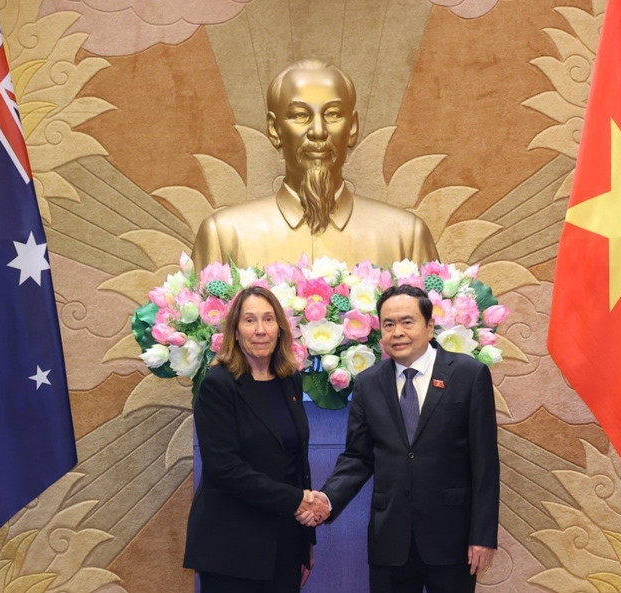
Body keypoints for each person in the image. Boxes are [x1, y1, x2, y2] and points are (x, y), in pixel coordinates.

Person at [300, 285, 500, 593]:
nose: (398, 332)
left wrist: (483, 536)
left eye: (407, 322)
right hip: (390, 539)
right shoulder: (369, 383)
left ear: (429, 326)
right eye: (389, 324)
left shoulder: (468, 375)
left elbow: (485, 462)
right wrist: (328, 499)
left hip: (452, 539)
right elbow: (358, 457)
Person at [191, 58, 439, 271]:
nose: (318, 131)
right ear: (274, 129)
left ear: (352, 128)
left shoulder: (407, 237)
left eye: (333, 114)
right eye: (300, 115)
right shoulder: (224, 236)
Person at [183, 286, 318, 592]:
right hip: (232, 545)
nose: (260, 330)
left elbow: (297, 464)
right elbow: (224, 468)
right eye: (250, 320)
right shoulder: (218, 383)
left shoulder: (289, 379)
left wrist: (304, 543)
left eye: (268, 319)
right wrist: (297, 500)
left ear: (280, 329)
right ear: (235, 330)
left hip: (284, 540)